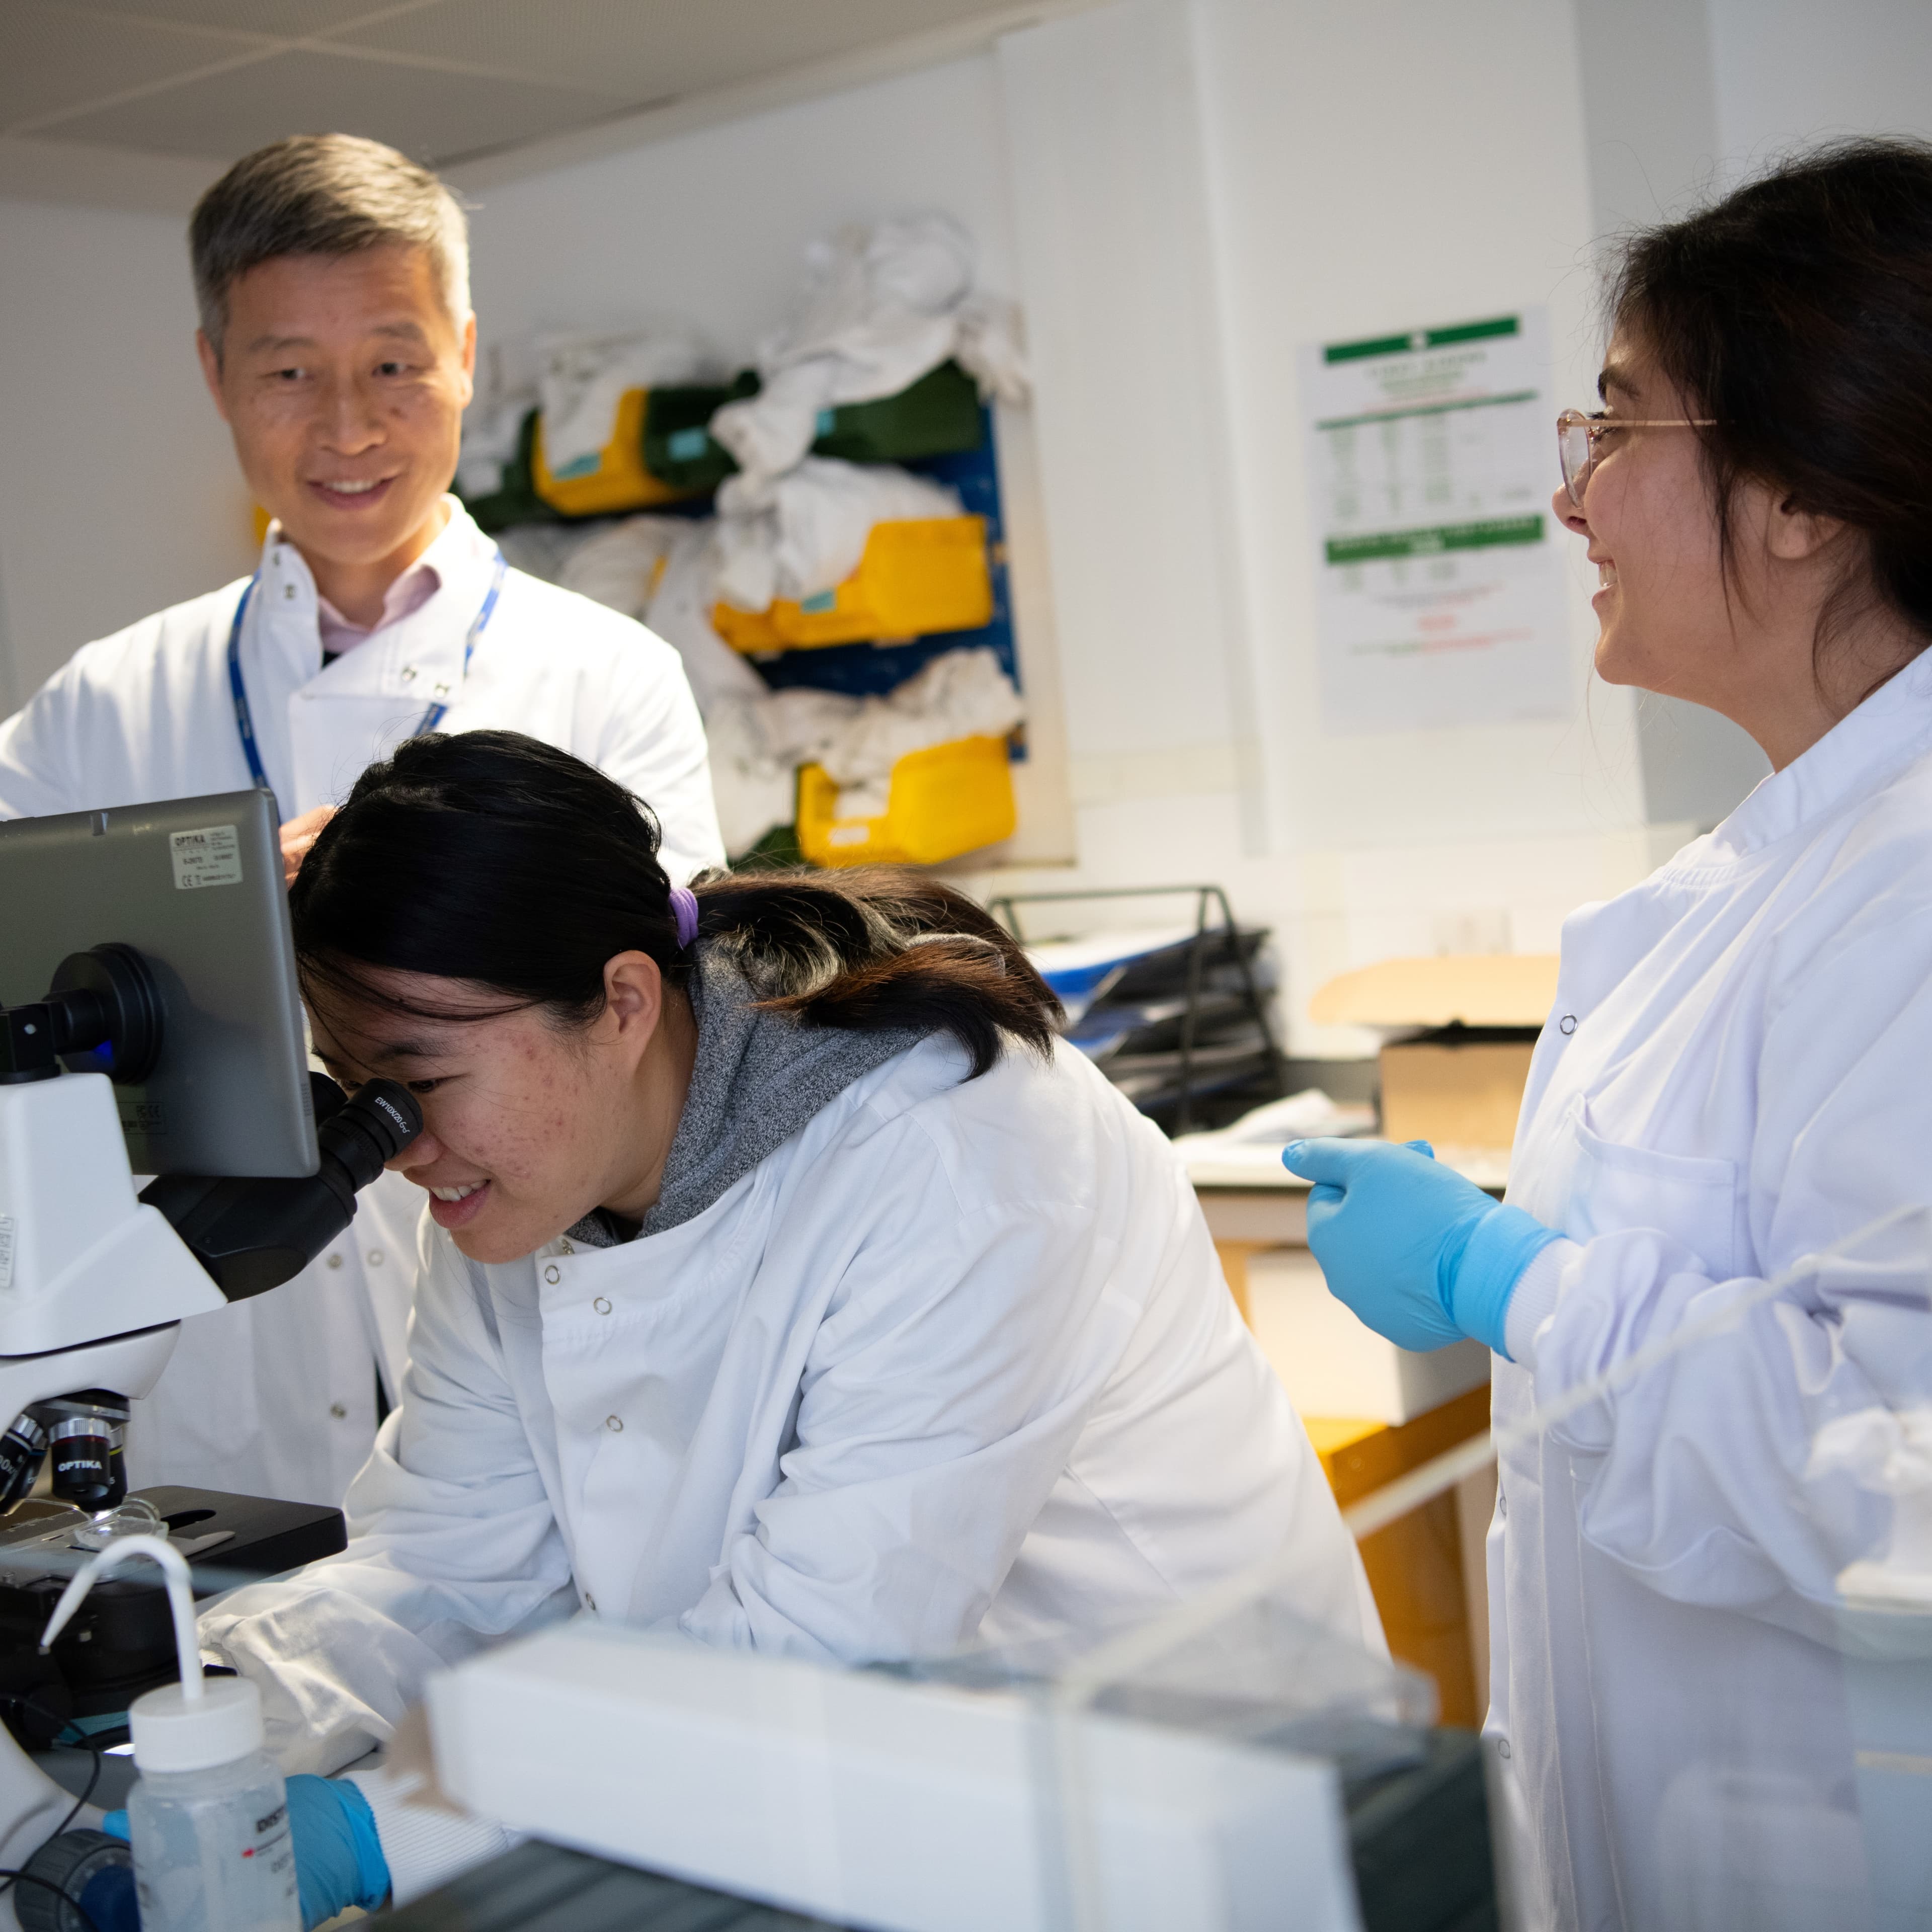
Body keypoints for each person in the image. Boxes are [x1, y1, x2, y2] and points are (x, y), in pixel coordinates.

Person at [179, 728, 1380, 1918]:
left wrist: (382, 1831)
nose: (398, 1152)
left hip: (1161, 1814)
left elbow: (814, 1658)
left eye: (418, 1085)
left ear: (624, 1002)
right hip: (846, 1809)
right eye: (354, 1091)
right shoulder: (520, 1190)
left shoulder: (957, 1150)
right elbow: (446, 1564)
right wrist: (209, 1704)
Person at [1284, 140, 1932, 1928]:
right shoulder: (1789, 862)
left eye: (1618, 433)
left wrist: (1513, 1283)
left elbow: (1888, 1465)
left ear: (1800, 493)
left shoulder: (1918, 887)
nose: (1572, 504)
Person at [0, 135, 725, 1507]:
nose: (348, 426)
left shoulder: (604, 675)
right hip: (227, 1387)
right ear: (214, 373)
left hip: (559, 1359)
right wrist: (201, 940)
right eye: (288, 371)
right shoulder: (108, 703)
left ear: (464, 351)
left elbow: (673, 1028)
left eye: (394, 362)